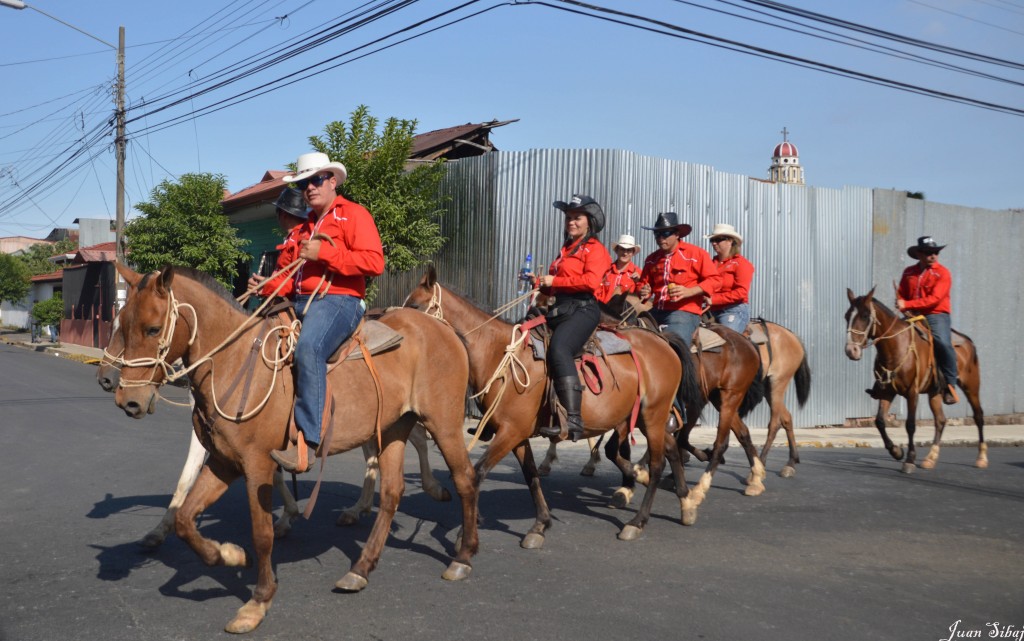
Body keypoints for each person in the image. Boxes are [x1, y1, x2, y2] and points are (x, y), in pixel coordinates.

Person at [261, 152, 385, 472]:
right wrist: (266, 285)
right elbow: (287, 279)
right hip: (299, 302)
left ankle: (308, 440)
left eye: (316, 180)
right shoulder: (304, 228)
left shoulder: (354, 214)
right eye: (304, 183)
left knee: (309, 348)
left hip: (339, 301)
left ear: (331, 181)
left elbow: (375, 263)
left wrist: (326, 252)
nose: (310, 188)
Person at [534, 194, 612, 442]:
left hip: (584, 310)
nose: (571, 222)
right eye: (568, 217)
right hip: (560, 309)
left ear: (589, 221)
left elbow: (590, 282)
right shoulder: (565, 250)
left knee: (559, 349)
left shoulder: (596, 250)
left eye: (577, 217)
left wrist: (555, 281)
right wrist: (542, 285)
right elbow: (555, 286)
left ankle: (574, 419)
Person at [637, 212, 721, 349]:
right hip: (656, 310)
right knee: (632, 336)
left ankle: (683, 368)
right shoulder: (652, 258)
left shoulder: (696, 254)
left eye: (665, 234)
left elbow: (715, 280)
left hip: (684, 312)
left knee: (673, 348)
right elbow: (643, 284)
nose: (660, 238)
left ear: (677, 234)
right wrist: (643, 290)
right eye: (657, 234)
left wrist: (689, 291)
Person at [896, 235, 959, 405]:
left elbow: (935, 299)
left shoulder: (942, 273)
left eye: (935, 252)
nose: (933, 255)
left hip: (935, 314)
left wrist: (906, 303)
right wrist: (901, 301)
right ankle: (884, 382)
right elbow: (901, 291)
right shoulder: (909, 271)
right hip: (912, 314)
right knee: (892, 336)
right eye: (929, 252)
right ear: (919, 254)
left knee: (942, 342)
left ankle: (950, 385)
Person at [249, 187, 310, 294]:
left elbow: (296, 281)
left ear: (283, 214)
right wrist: (262, 285)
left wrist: (266, 286)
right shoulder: (295, 237)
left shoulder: (299, 239)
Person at [703, 223, 754, 333]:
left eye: (718, 239)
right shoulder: (711, 263)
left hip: (734, 310)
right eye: (712, 240)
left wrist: (713, 299)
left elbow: (741, 293)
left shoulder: (741, 264)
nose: (714, 243)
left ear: (730, 241)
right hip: (710, 310)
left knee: (727, 339)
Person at [596, 233, 641, 304]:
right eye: (622, 249)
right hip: (604, 312)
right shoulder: (606, 270)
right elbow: (597, 292)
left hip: (624, 314)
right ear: (617, 250)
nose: (625, 253)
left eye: (629, 250)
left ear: (633, 253)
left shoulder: (638, 273)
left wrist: (639, 282)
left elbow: (642, 298)